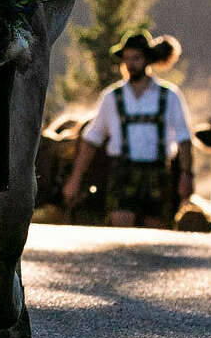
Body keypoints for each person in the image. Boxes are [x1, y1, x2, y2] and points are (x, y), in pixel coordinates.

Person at [62, 32, 198, 228]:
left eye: (136, 58)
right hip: (122, 173)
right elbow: (92, 140)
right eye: (126, 59)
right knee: (121, 232)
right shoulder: (111, 97)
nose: (130, 64)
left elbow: (184, 139)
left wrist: (186, 175)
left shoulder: (169, 96)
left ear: (147, 60)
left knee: (156, 235)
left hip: (158, 173)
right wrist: (75, 179)